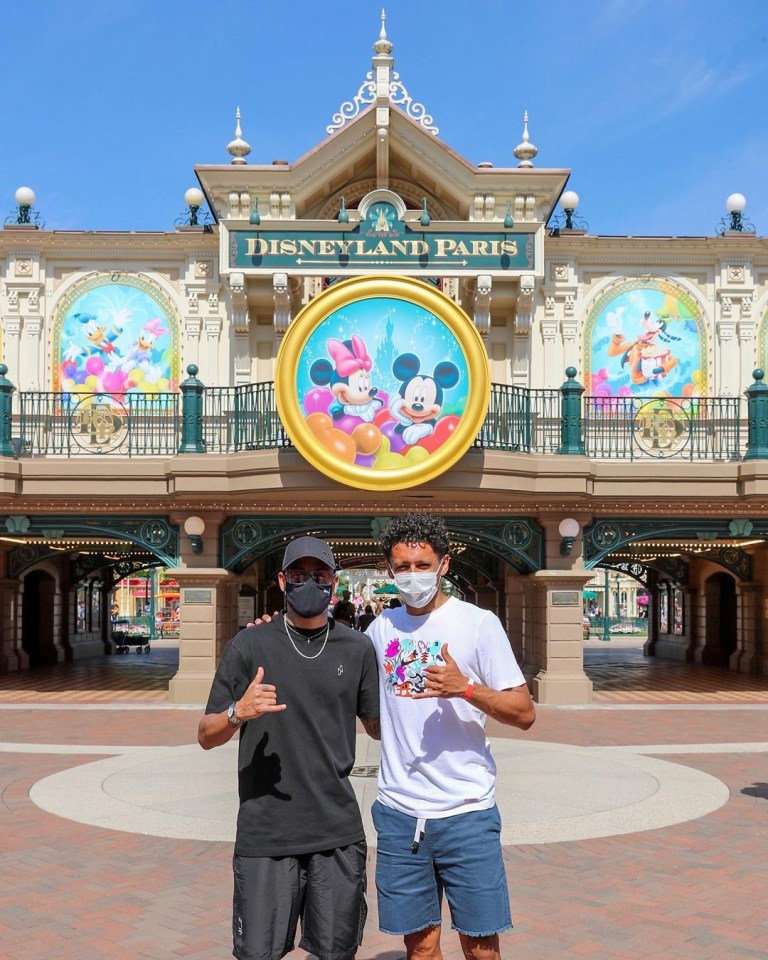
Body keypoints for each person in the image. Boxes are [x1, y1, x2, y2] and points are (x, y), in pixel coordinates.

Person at [198, 536, 380, 960]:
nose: (309, 583)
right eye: (299, 574)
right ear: (282, 580)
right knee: (258, 953)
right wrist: (237, 713)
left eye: (320, 575)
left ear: (334, 582)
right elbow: (206, 734)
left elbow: (377, 726)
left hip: (336, 831)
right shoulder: (249, 646)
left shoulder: (357, 649)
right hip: (267, 834)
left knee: (337, 952)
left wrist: (433, 697)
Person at [366, 512, 535, 960]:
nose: (413, 575)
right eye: (402, 567)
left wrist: (467, 688)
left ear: (443, 564)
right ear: (389, 570)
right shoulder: (380, 629)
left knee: (481, 949)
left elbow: (523, 712)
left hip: (467, 813)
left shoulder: (478, 623)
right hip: (400, 814)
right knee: (420, 948)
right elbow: (369, 709)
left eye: (423, 565)